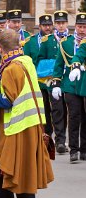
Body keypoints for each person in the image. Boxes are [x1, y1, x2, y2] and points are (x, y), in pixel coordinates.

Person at [0, 29, 54, 198]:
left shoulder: (11, 68)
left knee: (21, 174)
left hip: (20, 128)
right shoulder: (25, 61)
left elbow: (7, 100)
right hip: (18, 126)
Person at [37, 11, 68, 154]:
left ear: (67, 24)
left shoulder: (72, 39)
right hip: (51, 81)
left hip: (68, 81)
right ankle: (60, 140)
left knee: (68, 110)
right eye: (59, 23)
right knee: (56, 110)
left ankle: (62, 137)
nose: (61, 26)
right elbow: (40, 60)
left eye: (63, 23)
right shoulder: (47, 40)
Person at [58, 13, 86, 162]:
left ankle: (84, 150)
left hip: (84, 84)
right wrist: (56, 82)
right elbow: (59, 63)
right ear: (75, 27)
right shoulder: (66, 42)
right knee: (74, 116)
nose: (82, 30)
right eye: (80, 26)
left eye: (85, 27)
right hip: (70, 85)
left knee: (85, 117)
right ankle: (74, 150)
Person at [24, 14, 54, 140]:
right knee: (42, 107)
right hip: (36, 80)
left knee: (54, 107)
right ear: (39, 26)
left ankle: (53, 133)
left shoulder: (55, 40)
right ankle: (43, 132)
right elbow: (26, 61)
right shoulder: (30, 41)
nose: (47, 28)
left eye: (49, 25)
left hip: (51, 79)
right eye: (44, 25)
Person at [0, 9, 30, 90]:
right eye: (14, 22)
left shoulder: (27, 36)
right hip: (5, 73)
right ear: (8, 22)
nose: (17, 25)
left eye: (19, 22)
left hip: (23, 73)